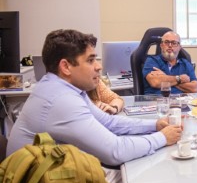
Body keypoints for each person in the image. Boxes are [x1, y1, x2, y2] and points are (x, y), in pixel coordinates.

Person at [7, 29, 183, 167]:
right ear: (66, 67)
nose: (99, 66)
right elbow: (115, 151)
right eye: (91, 60)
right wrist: (162, 138)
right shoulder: (61, 99)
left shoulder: (66, 89)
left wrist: (155, 125)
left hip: (48, 177)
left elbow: (109, 123)